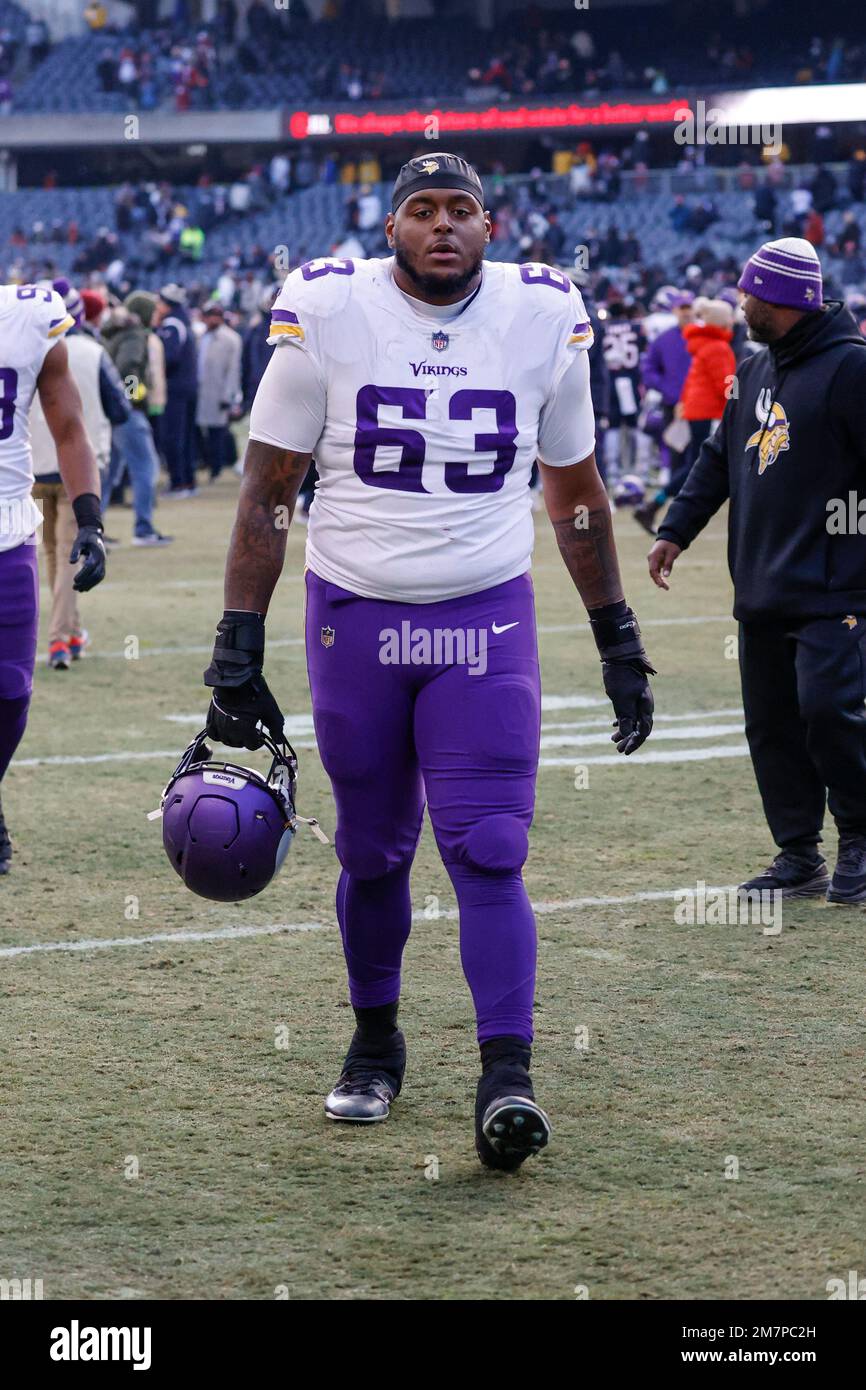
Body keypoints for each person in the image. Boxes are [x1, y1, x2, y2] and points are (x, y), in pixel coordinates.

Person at [200, 154, 655, 1170]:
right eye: (420, 209)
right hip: (354, 622)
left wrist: (614, 631)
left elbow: (574, 492)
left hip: (482, 624)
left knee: (489, 844)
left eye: (459, 209)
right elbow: (269, 487)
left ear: (488, 225)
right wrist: (237, 633)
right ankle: (375, 1041)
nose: (440, 226)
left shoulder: (542, 315)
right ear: (390, 226)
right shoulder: (327, 307)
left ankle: (507, 1074)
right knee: (372, 850)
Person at [648, 238, 866, 904]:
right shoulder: (753, 367)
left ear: (784, 299)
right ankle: (799, 855)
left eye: (749, 292)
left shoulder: (852, 370)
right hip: (762, 586)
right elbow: (718, 458)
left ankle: (860, 839)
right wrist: (675, 530)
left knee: (831, 715)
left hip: (837, 588)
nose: (740, 301)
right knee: (771, 726)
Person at [0, 282, 106, 874]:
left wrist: (88, 518)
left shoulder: (26, 314)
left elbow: (69, 429)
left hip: (6, 529)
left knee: (11, 694)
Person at [31, 282, 128, 668]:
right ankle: (58, 640)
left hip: (34, 466)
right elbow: (121, 409)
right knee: (71, 553)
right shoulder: (93, 352)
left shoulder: (30, 351)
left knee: (54, 552)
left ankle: (70, 631)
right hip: (78, 471)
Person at [101, 291, 172, 544]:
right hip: (127, 413)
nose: (157, 316)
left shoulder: (116, 332)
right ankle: (143, 528)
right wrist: (131, 397)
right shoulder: (135, 335)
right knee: (146, 467)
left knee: (108, 473)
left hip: (113, 412)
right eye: (152, 311)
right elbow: (128, 368)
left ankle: (93, 528)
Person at [677, 297, 736, 492]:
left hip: (697, 410)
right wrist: (738, 404)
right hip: (709, 412)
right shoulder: (719, 348)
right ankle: (658, 501)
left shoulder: (703, 344)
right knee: (698, 465)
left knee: (696, 462)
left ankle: (659, 501)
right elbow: (726, 386)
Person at [153, 284, 198, 497]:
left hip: (175, 389)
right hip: (187, 387)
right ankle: (188, 481)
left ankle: (178, 482)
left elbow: (170, 356)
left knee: (173, 437)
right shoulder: (183, 321)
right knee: (186, 436)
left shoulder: (171, 325)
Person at [195, 300, 242, 481]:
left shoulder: (231, 339)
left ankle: (216, 468)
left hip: (218, 391)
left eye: (215, 316)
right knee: (201, 431)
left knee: (217, 432)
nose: (212, 319)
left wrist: (228, 395)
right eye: (209, 316)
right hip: (200, 390)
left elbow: (233, 370)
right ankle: (206, 463)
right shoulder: (201, 336)